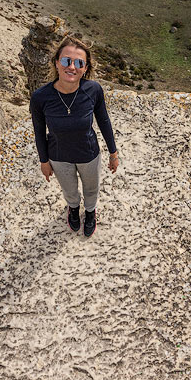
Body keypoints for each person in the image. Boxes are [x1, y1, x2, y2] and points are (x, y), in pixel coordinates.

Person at [29, 35, 119, 237]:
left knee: (91, 189)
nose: (72, 67)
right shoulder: (40, 97)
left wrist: (113, 153)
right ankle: (73, 208)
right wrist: (44, 161)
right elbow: (38, 131)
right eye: (66, 60)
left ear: (85, 68)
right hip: (59, 156)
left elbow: (104, 121)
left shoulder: (93, 90)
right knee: (69, 191)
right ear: (56, 63)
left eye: (79, 63)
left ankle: (89, 212)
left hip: (88, 154)